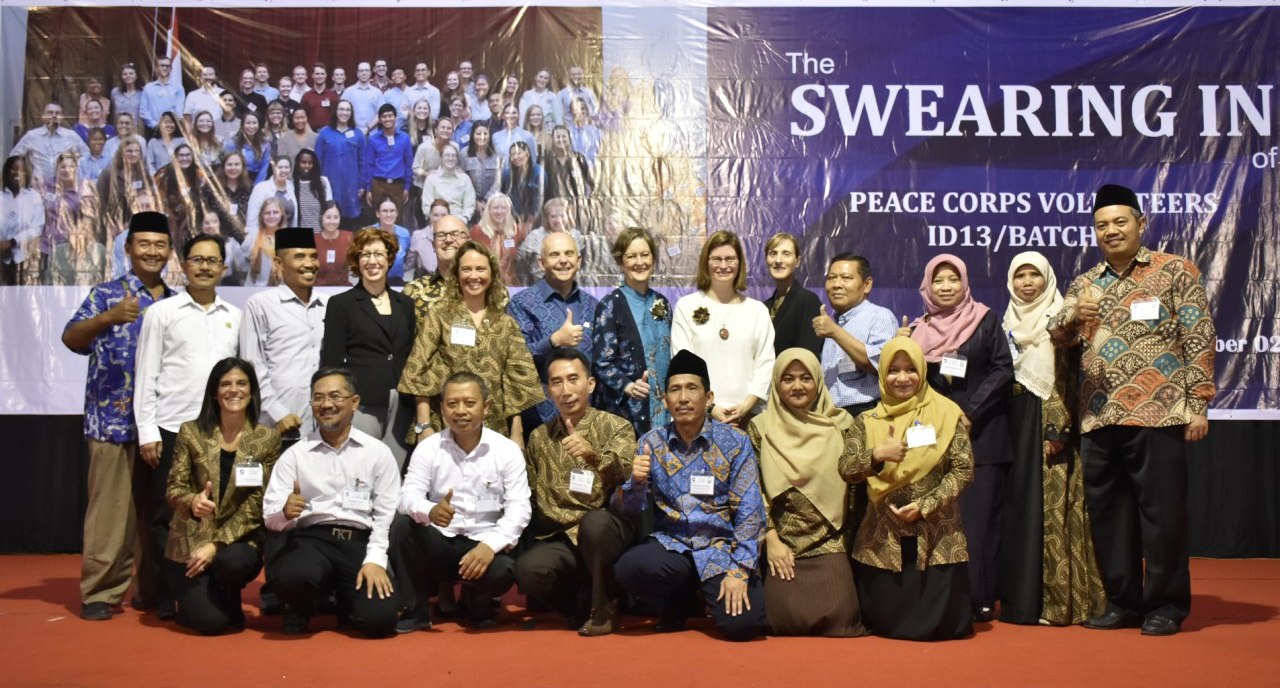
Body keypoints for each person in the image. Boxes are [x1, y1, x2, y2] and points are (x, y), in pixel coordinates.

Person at [1047, 183, 1216, 637]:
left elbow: (1199, 337)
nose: (1111, 231)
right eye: (1102, 225)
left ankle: (1166, 605)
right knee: (1110, 516)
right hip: (1099, 415)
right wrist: (1073, 317)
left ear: (1141, 224)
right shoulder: (1085, 282)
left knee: (1162, 516)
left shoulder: (1175, 271)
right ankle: (1124, 602)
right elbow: (1056, 335)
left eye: (1120, 222)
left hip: (1158, 413)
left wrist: (1198, 403)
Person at [62, 210, 175, 621]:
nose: (152, 251)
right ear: (128, 249)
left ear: (169, 251)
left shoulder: (176, 302)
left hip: (161, 425)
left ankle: (152, 590)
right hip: (112, 422)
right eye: (143, 244)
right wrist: (107, 318)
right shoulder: (106, 294)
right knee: (111, 513)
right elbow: (70, 337)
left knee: (156, 513)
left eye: (159, 245)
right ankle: (101, 592)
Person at [613, 350, 767, 641]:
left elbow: (751, 513)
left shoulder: (735, 442)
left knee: (742, 625)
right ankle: (683, 598)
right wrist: (636, 483)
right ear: (665, 400)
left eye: (691, 388)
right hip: (674, 547)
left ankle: (705, 592)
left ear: (708, 398)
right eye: (675, 390)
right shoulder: (650, 443)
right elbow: (628, 509)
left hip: (721, 549)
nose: (683, 398)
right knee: (628, 569)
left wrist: (739, 571)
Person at [134, 233, 242, 619]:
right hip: (171, 428)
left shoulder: (235, 317)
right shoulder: (162, 313)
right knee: (168, 516)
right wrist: (147, 431)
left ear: (223, 268)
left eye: (212, 261)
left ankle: (208, 590)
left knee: (217, 511)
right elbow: (146, 373)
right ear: (183, 265)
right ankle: (167, 594)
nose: (205, 267)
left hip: (219, 432)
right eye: (197, 260)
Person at [901, 253, 1013, 622]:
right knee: (942, 519)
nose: (946, 287)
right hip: (936, 440)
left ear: (964, 282)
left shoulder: (984, 319)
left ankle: (980, 598)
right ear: (927, 285)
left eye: (953, 279)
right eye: (938, 280)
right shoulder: (919, 329)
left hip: (981, 436)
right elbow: (912, 382)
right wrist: (901, 345)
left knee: (979, 521)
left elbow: (1002, 369)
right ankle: (946, 597)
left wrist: (969, 412)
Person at [999, 251, 1106, 626]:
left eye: (1034, 275)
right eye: (1020, 275)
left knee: (1049, 510)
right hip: (1014, 420)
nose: (1027, 282)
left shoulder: (1060, 318)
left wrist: (1057, 428)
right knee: (1020, 508)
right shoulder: (1007, 321)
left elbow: (1066, 376)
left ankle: (1058, 603)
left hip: (1047, 421)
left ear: (1047, 279)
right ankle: (1020, 600)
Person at [850, 336, 975, 641]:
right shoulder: (866, 420)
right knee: (886, 624)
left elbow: (963, 470)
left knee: (940, 624)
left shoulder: (948, 413)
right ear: (882, 374)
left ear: (922, 370)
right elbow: (846, 469)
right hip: (882, 538)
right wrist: (876, 455)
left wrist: (926, 505)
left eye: (911, 369)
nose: (903, 378)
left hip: (937, 535)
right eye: (893, 370)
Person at [262, 367, 402, 637]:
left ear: (355, 402)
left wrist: (375, 560)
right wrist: (285, 513)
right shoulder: (295, 455)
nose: (326, 404)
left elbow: (385, 516)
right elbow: (270, 517)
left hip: (359, 542)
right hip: (312, 540)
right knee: (293, 577)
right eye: (318, 398)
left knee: (380, 620)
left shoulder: (377, 453)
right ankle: (300, 606)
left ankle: (345, 601)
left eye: (335, 396)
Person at [746, 348, 874, 637]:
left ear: (818, 381)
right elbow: (752, 490)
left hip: (830, 539)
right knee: (780, 619)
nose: (797, 386)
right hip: (782, 542)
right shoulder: (760, 428)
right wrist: (771, 539)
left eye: (806, 378)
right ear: (776, 383)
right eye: (788, 379)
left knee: (841, 618)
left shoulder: (843, 424)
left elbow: (855, 487)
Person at [392, 371, 531, 630]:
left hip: (482, 542)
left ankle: (478, 603)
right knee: (402, 527)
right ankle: (415, 610)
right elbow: (406, 496)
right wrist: (430, 510)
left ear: (486, 407)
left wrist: (489, 546)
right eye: (452, 403)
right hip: (440, 541)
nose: (460, 411)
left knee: (503, 570)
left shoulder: (506, 450)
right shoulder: (428, 448)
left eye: (469, 403)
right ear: (442, 408)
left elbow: (520, 508)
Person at [513, 348, 637, 635]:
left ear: (590, 384)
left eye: (573, 379)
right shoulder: (539, 437)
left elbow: (628, 473)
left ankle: (605, 609)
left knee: (595, 524)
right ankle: (577, 607)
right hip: (563, 538)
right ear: (548, 391)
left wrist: (592, 455)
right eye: (557, 382)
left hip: (606, 533)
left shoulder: (616, 426)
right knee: (527, 571)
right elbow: (530, 493)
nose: (566, 390)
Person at [162, 358, 282, 635]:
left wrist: (216, 545)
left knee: (234, 563)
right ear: (214, 393)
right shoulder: (191, 432)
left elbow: (258, 503)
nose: (234, 390)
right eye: (225, 384)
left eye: (241, 383)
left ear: (251, 391)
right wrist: (192, 501)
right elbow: (174, 488)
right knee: (212, 624)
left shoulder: (267, 438)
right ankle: (202, 601)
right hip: (191, 540)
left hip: (237, 542)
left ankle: (225, 592)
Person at [397, 240, 543, 449]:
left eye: (480, 269)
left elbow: (516, 380)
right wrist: (423, 425)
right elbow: (419, 369)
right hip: (444, 428)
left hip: (494, 430)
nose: (474, 276)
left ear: (492, 274)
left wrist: (517, 432)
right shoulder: (440, 314)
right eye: (466, 269)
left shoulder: (505, 323)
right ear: (457, 274)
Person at [321, 227, 417, 468]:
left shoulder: (406, 304)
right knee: (359, 471)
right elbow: (331, 362)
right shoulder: (341, 304)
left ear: (389, 259)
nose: (372, 261)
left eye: (379, 254)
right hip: (361, 403)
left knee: (395, 472)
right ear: (357, 260)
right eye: (365, 254)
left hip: (402, 403)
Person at [671, 230, 776, 427]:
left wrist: (745, 406)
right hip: (700, 418)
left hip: (749, 417)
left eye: (730, 259)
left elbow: (766, 364)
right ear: (706, 262)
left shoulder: (757, 311)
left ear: (740, 263)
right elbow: (683, 363)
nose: (723, 265)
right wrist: (711, 407)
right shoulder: (686, 307)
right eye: (716, 259)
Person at [240, 227, 328, 440]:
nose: (309, 264)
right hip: (277, 427)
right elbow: (252, 365)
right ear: (278, 263)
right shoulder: (260, 305)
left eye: (313, 256)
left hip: (324, 426)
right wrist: (277, 413)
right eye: (299, 257)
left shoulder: (329, 304)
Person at [508, 231, 599, 430]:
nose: (563, 260)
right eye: (555, 254)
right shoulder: (522, 303)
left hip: (587, 418)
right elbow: (513, 359)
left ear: (579, 261)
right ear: (542, 263)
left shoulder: (593, 306)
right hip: (540, 419)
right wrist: (553, 341)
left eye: (569, 253)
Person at [589, 227, 672, 436]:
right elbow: (601, 362)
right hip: (627, 411)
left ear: (653, 259)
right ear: (620, 262)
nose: (639, 262)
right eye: (631, 256)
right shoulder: (610, 305)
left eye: (645, 255)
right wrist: (627, 386)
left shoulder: (662, 302)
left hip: (664, 408)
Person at [813, 254, 898, 420]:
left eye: (846, 278)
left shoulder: (879, 316)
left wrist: (835, 332)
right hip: (830, 416)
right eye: (831, 278)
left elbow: (882, 365)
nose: (836, 285)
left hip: (865, 414)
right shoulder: (833, 322)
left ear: (867, 285)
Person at [39, 152, 102, 286]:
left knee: (66, 284)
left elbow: (89, 218)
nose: (67, 170)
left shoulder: (83, 189)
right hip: (46, 245)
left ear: (76, 169)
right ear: (57, 168)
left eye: (71, 167)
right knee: (46, 284)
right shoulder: (46, 186)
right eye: (63, 167)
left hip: (69, 246)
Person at [759, 233, 823, 358]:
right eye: (773, 253)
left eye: (786, 254)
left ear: (797, 261)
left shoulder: (807, 301)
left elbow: (807, 356)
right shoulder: (763, 307)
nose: (778, 260)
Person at [402, 212, 466, 325]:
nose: (448, 239)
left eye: (456, 234)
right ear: (433, 244)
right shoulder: (413, 291)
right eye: (441, 235)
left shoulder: (484, 289)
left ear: (468, 242)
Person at [9, 102, 89, 185]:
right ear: (43, 116)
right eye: (50, 112)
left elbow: (86, 154)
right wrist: (26, 174)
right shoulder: (32, 136)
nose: (54, 115)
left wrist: (74, 168)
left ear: (62, 117)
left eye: (57, 113)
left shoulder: (71, 135)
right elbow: (13, 157)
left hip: (64, 186)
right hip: (38, 185)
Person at [315, 100, 365, 225]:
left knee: (350, 221)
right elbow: (317, 160)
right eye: (341, 109)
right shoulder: (324, 133)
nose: (344, 113)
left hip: (351, 185)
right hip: (330, 184)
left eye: (347, 110)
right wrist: (318, 183)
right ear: (336, 112)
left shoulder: (358, 134)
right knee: (330, 217)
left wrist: (361, 185)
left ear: (351, 113)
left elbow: (363, 161)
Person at [364, 104, 413, 219]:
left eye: (390, 116)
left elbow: (408, 164)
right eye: (384, 117)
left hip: (397, 185)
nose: (387, 119)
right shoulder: (373, 139)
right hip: (378, 184)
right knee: (377, 218)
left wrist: (407, 187)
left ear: (395, 117)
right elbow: (369, 164)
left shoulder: (405, 138)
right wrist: (368, 189)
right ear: (380, 120)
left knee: (397, 219)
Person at [152, 143, 203, 251]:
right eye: (181, 155)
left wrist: (186, 223)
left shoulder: (198, 174)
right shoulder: (163, 174)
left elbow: (202, 200)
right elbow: (159, 201)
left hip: (192, 217)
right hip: (169, 218)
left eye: (188, 155)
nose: (185, 158)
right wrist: (174, 225)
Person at [1, 156, 43, 286]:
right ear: (7, 171)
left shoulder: (33, 197)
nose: (18, 173)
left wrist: (13, 242)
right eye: (14, 169)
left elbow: (37, 228)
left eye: (22, 170)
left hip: (25, 258)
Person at [470, 192, 520, 285]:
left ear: (508, 210)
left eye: (503, 208)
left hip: (509, 282)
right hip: (484, 281)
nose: (499, 211)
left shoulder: (514, 230)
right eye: (495, 208)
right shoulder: (477, 231)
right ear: (489, 210)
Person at [204, 151, 252, 244]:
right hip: (218, 238)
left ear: (242, 167)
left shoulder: (249, 187)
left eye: (237, 164)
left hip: (244, 239)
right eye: (229, 165)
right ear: (223, 167)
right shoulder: (211, 187)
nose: (233, 168)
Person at [245, 155, 298, 237]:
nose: (283, 170)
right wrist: (253, 238)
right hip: (265, 236)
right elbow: (252, 216)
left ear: (290, 169)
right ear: (274, 168)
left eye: (286, 167)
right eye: (280, 167)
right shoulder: (261, 188)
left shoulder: (292, 187)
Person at [422, 142, 475, 222]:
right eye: (447, 155)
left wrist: (463, 219)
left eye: (453, 156)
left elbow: (470, 205)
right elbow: (426, 206)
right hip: (438, 221)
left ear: (457, 159)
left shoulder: (465, 179)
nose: (450, 158)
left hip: (459, 221)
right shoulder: (431, 179)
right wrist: (439, 219)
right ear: (441, 158)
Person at [366, 196, 411, 286]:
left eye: (392, 211)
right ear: (378, 214)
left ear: (397, 213)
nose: (389, 214)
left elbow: (408, 257)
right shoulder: (368, 233)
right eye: (385, 211)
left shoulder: (405, 234)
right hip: (373, 281)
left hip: (397, 282)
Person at [544, 126, 592, 210]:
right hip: (554, 209)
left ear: (569, 139)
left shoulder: (578, 158)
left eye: (564, 136)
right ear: (553, 140)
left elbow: (590, 182)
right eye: (558, 137)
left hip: (576, 207)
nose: (561, 140)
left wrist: (585, 201)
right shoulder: (546, 160)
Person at [501, 141, 544, 229]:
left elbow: (539, 199)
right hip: (514, 217)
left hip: (536, 217)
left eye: (519, 153)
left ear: (527, 154)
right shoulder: (507, 174)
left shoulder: (538, 173)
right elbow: (506, 196)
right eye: (512, 154)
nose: (515, 157)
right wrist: (518, 220)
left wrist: (530, 222)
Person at [139, 55, 185, 134]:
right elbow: (143, 111)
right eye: (162, 65)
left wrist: (170, 125)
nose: (165, 68)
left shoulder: (178, 88)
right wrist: (155, 125)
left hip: (172, 129)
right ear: (156, 68)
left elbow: (179, 111)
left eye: (167, 66)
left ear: (171, 68)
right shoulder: (148, 88)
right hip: (153, 130)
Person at [224, 110, 272, 184]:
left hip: (256, 181)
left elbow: (263, 169)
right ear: (242, 125)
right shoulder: (232, 143)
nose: (251, 126)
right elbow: (227, 166)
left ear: (259, 125)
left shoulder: (265, 145)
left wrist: (257, 187)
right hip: (236, 181)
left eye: (254, 123)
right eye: (248, 123)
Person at [463, 122, 500, 212]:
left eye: (485, 133)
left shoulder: (497, 154)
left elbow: (498, 181)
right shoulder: (464, 154)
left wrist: (486, 201)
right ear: (472, 135)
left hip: (493, 202)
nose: (482, 137)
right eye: (478, 134)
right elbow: (462, 180)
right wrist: (475, 201)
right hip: (470, 202)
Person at [314, 202, 353, 286]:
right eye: (328, 217)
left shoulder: (349, 237)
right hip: (318, 289)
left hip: (343, 288)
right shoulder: (313, 240)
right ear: (322, 217)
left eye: (336, 217)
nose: (332, 221)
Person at [292, 149, 331, 231]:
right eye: (303, 162)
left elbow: (330, 209)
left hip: (320, 233)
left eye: (310, 163)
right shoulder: (292, 185)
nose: (307, 165)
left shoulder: (323, 182)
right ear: (298, 164)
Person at [300, 63, 338, 131]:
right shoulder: (306, 96)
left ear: (326, 75)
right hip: (311, 133)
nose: (320, 76)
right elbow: (302, 117)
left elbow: (337, 116)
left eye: (322, 74)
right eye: (317, 74)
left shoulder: (333, 96)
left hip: (329, 133)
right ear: (312, 75)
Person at [346, 62, 383, 132]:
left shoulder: (377, 92)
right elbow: (343, 112)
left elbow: (381, 113)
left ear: (370, 73)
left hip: (372, 133)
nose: (364, 73)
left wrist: (368, 128)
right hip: (352, 132)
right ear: (357, 73)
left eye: (366, 70)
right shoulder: (348, 92)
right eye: (361, 71)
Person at [566, 98, 602, 166]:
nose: (581, 111)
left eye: (583, 108)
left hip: (593, 168)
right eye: (576, 109)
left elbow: (600, 153)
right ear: (571, 112)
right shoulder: (567, 132)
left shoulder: (596, 132)